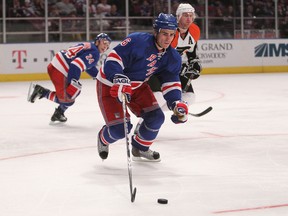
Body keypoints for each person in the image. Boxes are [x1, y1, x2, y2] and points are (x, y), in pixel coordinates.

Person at [96, 13, 189, 162]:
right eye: (164, 34)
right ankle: (102, 138)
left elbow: (170, 80)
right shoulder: (137, 41)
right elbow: (113, 59)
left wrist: (176, 103)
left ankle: (140, 147)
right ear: (156, 32)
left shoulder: (172, 56)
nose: (168, 38)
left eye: (172, 34)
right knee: (120, 130)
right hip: (110, 84)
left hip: (138, 86)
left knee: (156, 117)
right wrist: (118, 79)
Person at [27, 33, 112, 122]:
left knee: (72, 93)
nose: (106, 47)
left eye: (108, 45)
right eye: (104, 43)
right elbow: (76, 64)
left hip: (56, 66)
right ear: (98, 41)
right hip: (60, 69)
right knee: (69, 97)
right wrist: (73, 81)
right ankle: (42, 92)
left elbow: (87, 66)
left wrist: (99, 76)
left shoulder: (90, 46)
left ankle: (59, 113)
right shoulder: (95, 53)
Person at [148, 3, 202, 110]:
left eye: (191, 16)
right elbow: (162, 55)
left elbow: (191, 51)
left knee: (190, 97)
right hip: (157, 68)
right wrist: (178, 67)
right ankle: (149, 116)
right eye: (185, 15)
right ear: (178, 16)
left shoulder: (195, 30)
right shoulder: (170, 31)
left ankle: (171, 108)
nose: (189, 19)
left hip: (173, 69)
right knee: (158, 97)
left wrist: (194, 63)